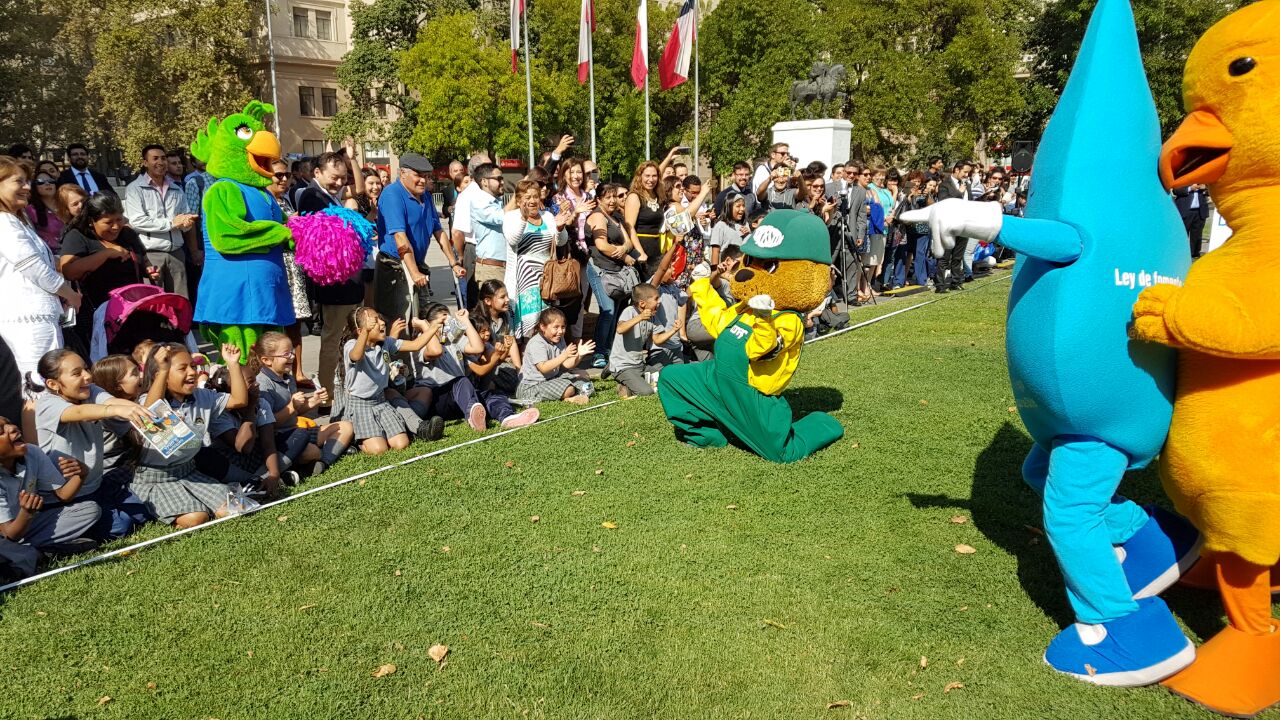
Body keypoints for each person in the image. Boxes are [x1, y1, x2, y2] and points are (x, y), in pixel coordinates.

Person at [30, 348, 152, 539]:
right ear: (53, 384)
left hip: (96, 485)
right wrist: (116, 410)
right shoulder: (47, 404)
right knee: (120, 527)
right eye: (77, 373)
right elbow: (79, 412)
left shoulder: (90, 391)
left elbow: (112, 401)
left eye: (86, 369)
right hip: (67, 497)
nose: (87, 376)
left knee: (142, 512)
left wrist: (152, 414)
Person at [133, 343, 248, 528]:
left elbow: (239, 400)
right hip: (156, 478)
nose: (192, 372)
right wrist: (162, 370)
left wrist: (233, 364)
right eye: (182, 368)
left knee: (236, 507)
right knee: (196, 518)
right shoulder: (146, 401)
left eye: (193, 366)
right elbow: (150, 417)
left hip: (189, 471)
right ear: (161, 376)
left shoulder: (203, 396)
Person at [0, 157, 81, 381]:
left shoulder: (15, 220)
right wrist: (69, 294)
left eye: (27, 181)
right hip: (26, 319)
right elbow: (33, 267)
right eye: (19, 181)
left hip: (42, 315)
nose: (27, 187)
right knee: (37, 384)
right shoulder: (3, 222)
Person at [296, 152, 362, 396]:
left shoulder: (331, 197)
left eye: (343, 178)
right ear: (317, 173)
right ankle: (326, 395)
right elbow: (326, 237)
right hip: (334, 284)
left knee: (346, 339)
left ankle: (346, 389)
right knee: (333, 340)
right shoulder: (311, 197)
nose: (339, 183)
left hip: (348, 283)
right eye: (335, 177)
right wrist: (349, 214)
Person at [413, 304, 539, 431]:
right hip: (437, 398)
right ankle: (472, 416)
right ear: (428, 324)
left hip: (461, 397)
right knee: (461, 381)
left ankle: (508, 417)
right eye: (442, 321)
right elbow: (436, 351)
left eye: (449, 320)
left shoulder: (452, 339)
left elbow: (478, 347)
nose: (447, 325)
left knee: (492, 394)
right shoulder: (421, 341)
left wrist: (465, 320)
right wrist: (426, 328)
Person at [58, 194, 157, 351]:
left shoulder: (128, 234)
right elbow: (69, 271)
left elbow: (143, 260)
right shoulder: (78, 236)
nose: (116, 226)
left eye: (119, 219)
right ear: (91, 222)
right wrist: (106, 253)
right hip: (101, 316)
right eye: (108, 222)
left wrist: (149, 270)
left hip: (134, 310)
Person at [337, 307, 435, 455]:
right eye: (375, 321)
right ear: (360, 330)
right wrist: (365, 332)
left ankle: (377, 434)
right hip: (360, 405)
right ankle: (355, 443)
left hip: (381, 402)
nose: (382, 323)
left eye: (379, 318)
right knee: (379, 450)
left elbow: (416, 345)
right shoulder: (351, 345)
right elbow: (356, 356)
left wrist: (433, 327)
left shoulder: (386, 343)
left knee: (401, 444)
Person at [254, 331, 353, 476]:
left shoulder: (288, 377)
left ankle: (322, 462)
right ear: (267, 360)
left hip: (298, 431)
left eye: (292, 352)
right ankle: (322, 458)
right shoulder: (263, 384)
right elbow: (268, 425)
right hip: (280, 440)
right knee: (310, 451)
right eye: (286, 354)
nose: (292, 357)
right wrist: (291, 406)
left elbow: (296, 413)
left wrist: (313, 401)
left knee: (345, 426)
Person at [0, 415, 102, 553]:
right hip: (7, 535)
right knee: (6, 546)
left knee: (90, 510)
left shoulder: (32, 453)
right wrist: (26, 513)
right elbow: (8, 535)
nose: (12, 428)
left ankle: (31, 550)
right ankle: (36, 550)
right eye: (1, 431)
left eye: (9, 423)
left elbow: (63, 495)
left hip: (28, 524)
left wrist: (81, 474)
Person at [375, 153, 458, 324]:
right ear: (402, 173)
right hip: (395, 266)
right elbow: (400, 236)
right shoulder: (393, 194)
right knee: (400, 322)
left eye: (426, 176)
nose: (423, 180)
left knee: (423, 318)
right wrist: (414, 273)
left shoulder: (426, 195)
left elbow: (438, 231)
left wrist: (453, 262)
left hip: (417, 265)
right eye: (418, 175)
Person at [124, 145, 199, 297]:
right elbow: (137, 221)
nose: (161, 162)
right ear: (145, 163)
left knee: (180, 300)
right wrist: (172, 223)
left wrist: (186, 223)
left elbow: (183, 217)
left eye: (163, 158)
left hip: (176, 253)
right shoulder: (135, 189)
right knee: (155, 301)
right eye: (155, 158)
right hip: (151, 255)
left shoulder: (176, 189)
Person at [503, 179, 570, 339]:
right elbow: (513, 239)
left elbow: (561, 241)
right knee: (530, 321)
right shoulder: (511, 217)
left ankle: (546, 356)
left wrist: (560, 228)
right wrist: (523, 218)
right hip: (524, 280)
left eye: (535, 196)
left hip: (546, 279)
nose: (532, 201)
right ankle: (528, 355)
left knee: (546, 320)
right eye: (527, 197)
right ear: (518, 200)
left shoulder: (546, 215)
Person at [583, 183, 637, 369]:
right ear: (599, 199)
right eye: (608, 197)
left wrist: (623, 248)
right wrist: (624, 254)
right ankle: (598, 352)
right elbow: (602, 245)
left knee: (615, 312)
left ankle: (608, 349)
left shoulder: (615, 217)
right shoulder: (598, 216)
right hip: (599, 269)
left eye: (615, 196)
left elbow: (628, 241)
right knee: (608, 311)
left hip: (616, 271)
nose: (613, 200)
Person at [609, 283, 682, 399]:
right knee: (647, 392)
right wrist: (640, 317)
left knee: (663, 382)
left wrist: (674, 330)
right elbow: (620, 329)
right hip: (623, 365)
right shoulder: (629, 311)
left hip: (639, 364)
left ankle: (627, 378)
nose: (659, 301)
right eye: (656, 299)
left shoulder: (652, 317)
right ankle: (621, 382)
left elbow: (657, 340)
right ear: (642, 303)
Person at [517, 307, 594, 406]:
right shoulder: (536, 343)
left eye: (563, 327)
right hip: (532, 386)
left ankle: (573, 394)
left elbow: (565, 365)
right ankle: (569, 398)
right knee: (569, 389)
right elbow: (543, 368)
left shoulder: (559, 339)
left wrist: (579, 355)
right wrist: (565, 354)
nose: (560, 331)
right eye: (556, 327)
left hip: (553, 378)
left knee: (584, 377)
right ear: (543, 327)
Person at [470, 279, 522, 395]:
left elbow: (511, 341)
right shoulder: (477, 321)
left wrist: (519, 370)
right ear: (488, 301)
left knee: (520, 377)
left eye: (507, 296)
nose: (507, 300)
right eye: (502, 297)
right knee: (511, 381)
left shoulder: (505, 316)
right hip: (485, 365)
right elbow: (482, 357)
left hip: (500, 360)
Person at [933, 160, 971, 293]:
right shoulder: (945, 185)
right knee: (944, 257)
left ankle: (956, 281)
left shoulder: (966, 185)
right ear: (956, 170)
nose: (967, 175)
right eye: (965, 172)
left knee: (958, 256)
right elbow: (944, 201)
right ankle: (940, 284)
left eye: (968, 172)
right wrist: (959, 192)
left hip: (964, 224)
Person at [622, 162, 660, 280]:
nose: (651, 179)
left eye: (654, 176)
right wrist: (640, 252)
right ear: (640, 177)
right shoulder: (634, 197)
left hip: (657, 249)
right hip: (642, 247)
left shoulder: (658, 196)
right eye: (647, 176)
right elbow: (629, 227)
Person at [26, 167, 66, 253]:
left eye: (51, 181)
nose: (48, 183)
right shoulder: (30, 210)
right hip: (51, 256)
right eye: (41, 182)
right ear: (34, 187)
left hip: (75, 250)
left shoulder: (66, 203)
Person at [708, 192, 750, 266]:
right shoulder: (721, 226)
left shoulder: (745, 225)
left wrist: (748, 235)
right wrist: (715, 272)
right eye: (738, 206)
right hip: (726, 268)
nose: (742, 209)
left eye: (743, 206)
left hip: (742, 267)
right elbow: (715, 251)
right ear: (729, 207)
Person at [1173, 184, 1210, 258]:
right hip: (1185, 211)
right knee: (1182, 234)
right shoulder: (1184, 177)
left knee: (1197, 235)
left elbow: (1212, 191)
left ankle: (1194, 254)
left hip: (1200, 211)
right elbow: (1175, 191)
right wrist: (1190, 188)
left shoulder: (1204, 178)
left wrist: (1205, 187)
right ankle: (1180, 254)